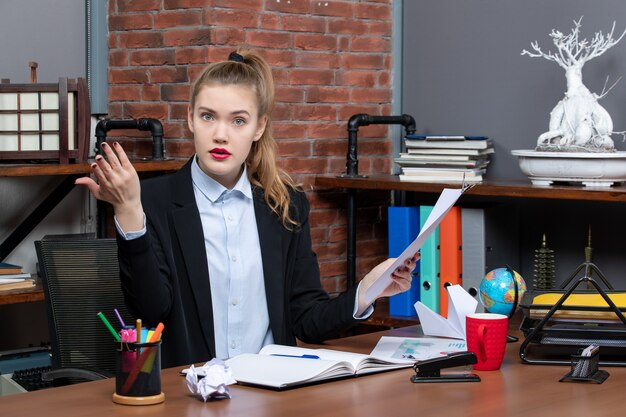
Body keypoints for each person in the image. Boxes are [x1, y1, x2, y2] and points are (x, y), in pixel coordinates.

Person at [76, 48, 418, 368]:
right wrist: (129, 213)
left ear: (259, 127)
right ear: (191, 119)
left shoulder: (285, 204)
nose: (220, 135)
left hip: (272, 394)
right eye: (208, 117)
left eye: (238, 121)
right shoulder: (152, 201)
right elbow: (151, 313)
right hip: (192, 396)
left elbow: (308, 320)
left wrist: (368, 290)